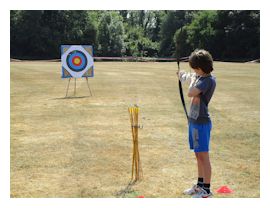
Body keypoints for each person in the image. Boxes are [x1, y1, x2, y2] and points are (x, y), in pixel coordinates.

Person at [177, 49, 216, 198]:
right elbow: (189, 77)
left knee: (204, 156)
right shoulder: (199, 77)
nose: (193, 71)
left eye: (195, 68)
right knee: (198, 155)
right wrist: (183, 76)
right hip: (194, 122)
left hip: (202, 123)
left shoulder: (207, 81)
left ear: (201, 68)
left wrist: (190, 78)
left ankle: (206, 189)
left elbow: (190, 92)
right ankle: (200, 185)